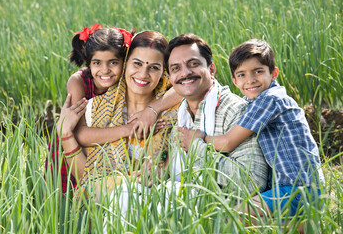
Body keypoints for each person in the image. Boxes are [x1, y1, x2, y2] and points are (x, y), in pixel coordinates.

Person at [206, 39, 324, 229]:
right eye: (242, 74)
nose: (250, 79)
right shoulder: (255, 101)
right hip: (287, 189)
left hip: (297, 189)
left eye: (258, 71)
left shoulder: (270, 99)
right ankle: (301, 226)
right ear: (235, 81)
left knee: (230, 219)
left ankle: (307, 226)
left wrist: (200, 138)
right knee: (249, 222)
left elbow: (228, 143)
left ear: (274, 73)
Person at [56, 31, 179, 200]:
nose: (143, 74)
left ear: (164, 71)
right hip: (106, 211)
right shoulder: (94, 109)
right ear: (126, 64)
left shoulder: (174, 113)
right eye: (137, 64)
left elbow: (201, 81)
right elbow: (87, 180)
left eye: (154, 67)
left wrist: (162, 172)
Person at [165, 34, 268, 194]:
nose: (185, 73)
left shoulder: (235, 110)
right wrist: (154, 175)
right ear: (170, 78)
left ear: (211, 69)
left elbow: (253, 181)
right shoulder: (181, 118)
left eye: (193, 64)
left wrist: (195, 147)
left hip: (224, 210)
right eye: (176, 68)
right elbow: (178, 175)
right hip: (187, 202)